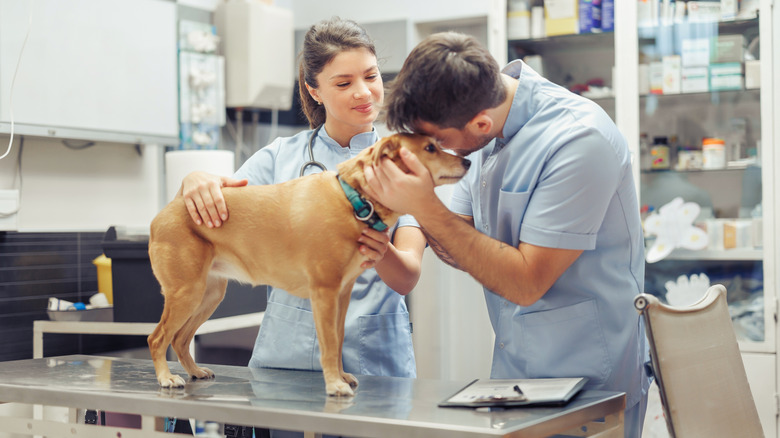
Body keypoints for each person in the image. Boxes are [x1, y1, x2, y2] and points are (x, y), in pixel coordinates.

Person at [363, 32, 651, 437]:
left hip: (591, 383)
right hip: (516, 376)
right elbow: (457, 241)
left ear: (480, 122)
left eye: (440, 142)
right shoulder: (483, 130)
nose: (438, 152)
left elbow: (525, 282)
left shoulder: (579, 139)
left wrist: (421, 204)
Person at [178, 17, 425, 436]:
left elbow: (407, 277)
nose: (364, 92)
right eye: (343, 83)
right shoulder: (280, 157)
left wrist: (380, 249)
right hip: (286, 363)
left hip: (372, 361)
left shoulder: (404, 158)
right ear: (315, 90)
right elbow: (220, 201)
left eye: (371, 76)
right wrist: (193, 181)